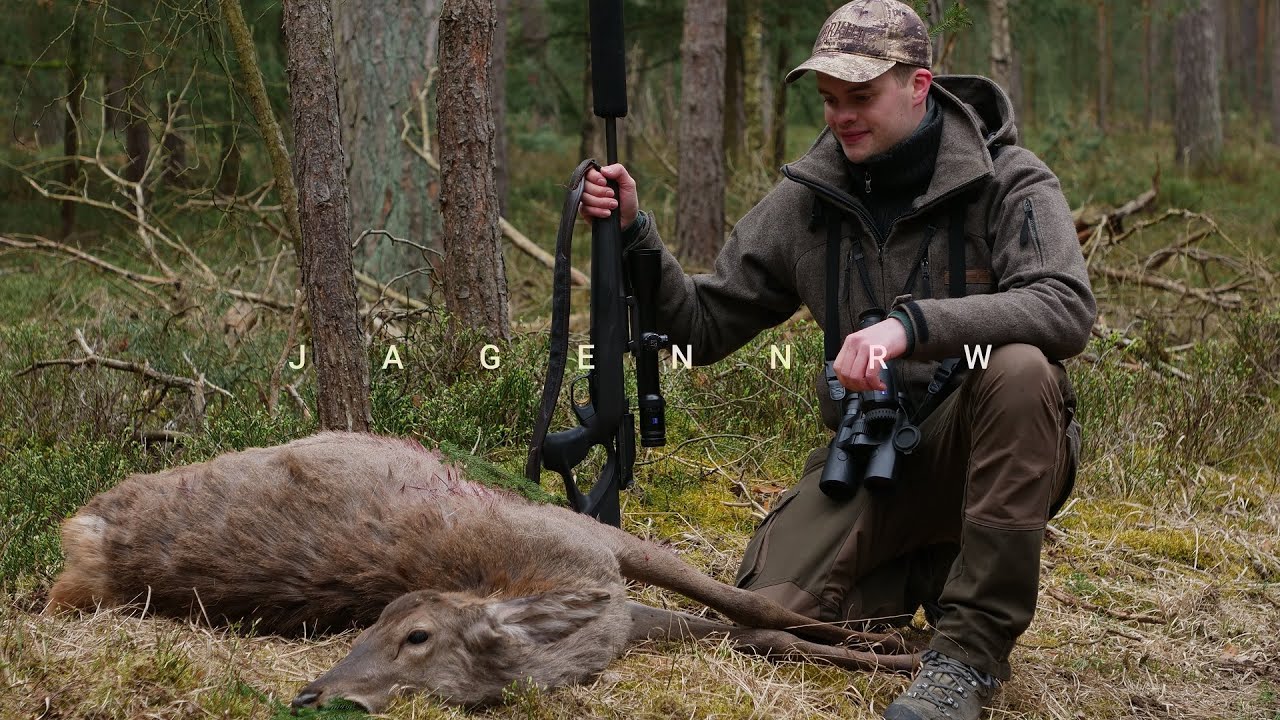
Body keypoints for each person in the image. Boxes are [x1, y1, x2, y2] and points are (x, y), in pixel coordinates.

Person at [579, 1, 1095, 718]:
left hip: (983, 443)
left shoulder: (1009, 180)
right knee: (763, 621)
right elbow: (699, 330)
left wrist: (908, 327)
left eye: (860, 96)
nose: (841, 116)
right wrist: (637, 234)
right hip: (870, 453)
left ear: (919, 85)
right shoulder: (806, 201)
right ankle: (924, 571)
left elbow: (1066, 308)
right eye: (828, 99)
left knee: (1020, 368)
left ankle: (968, 658)